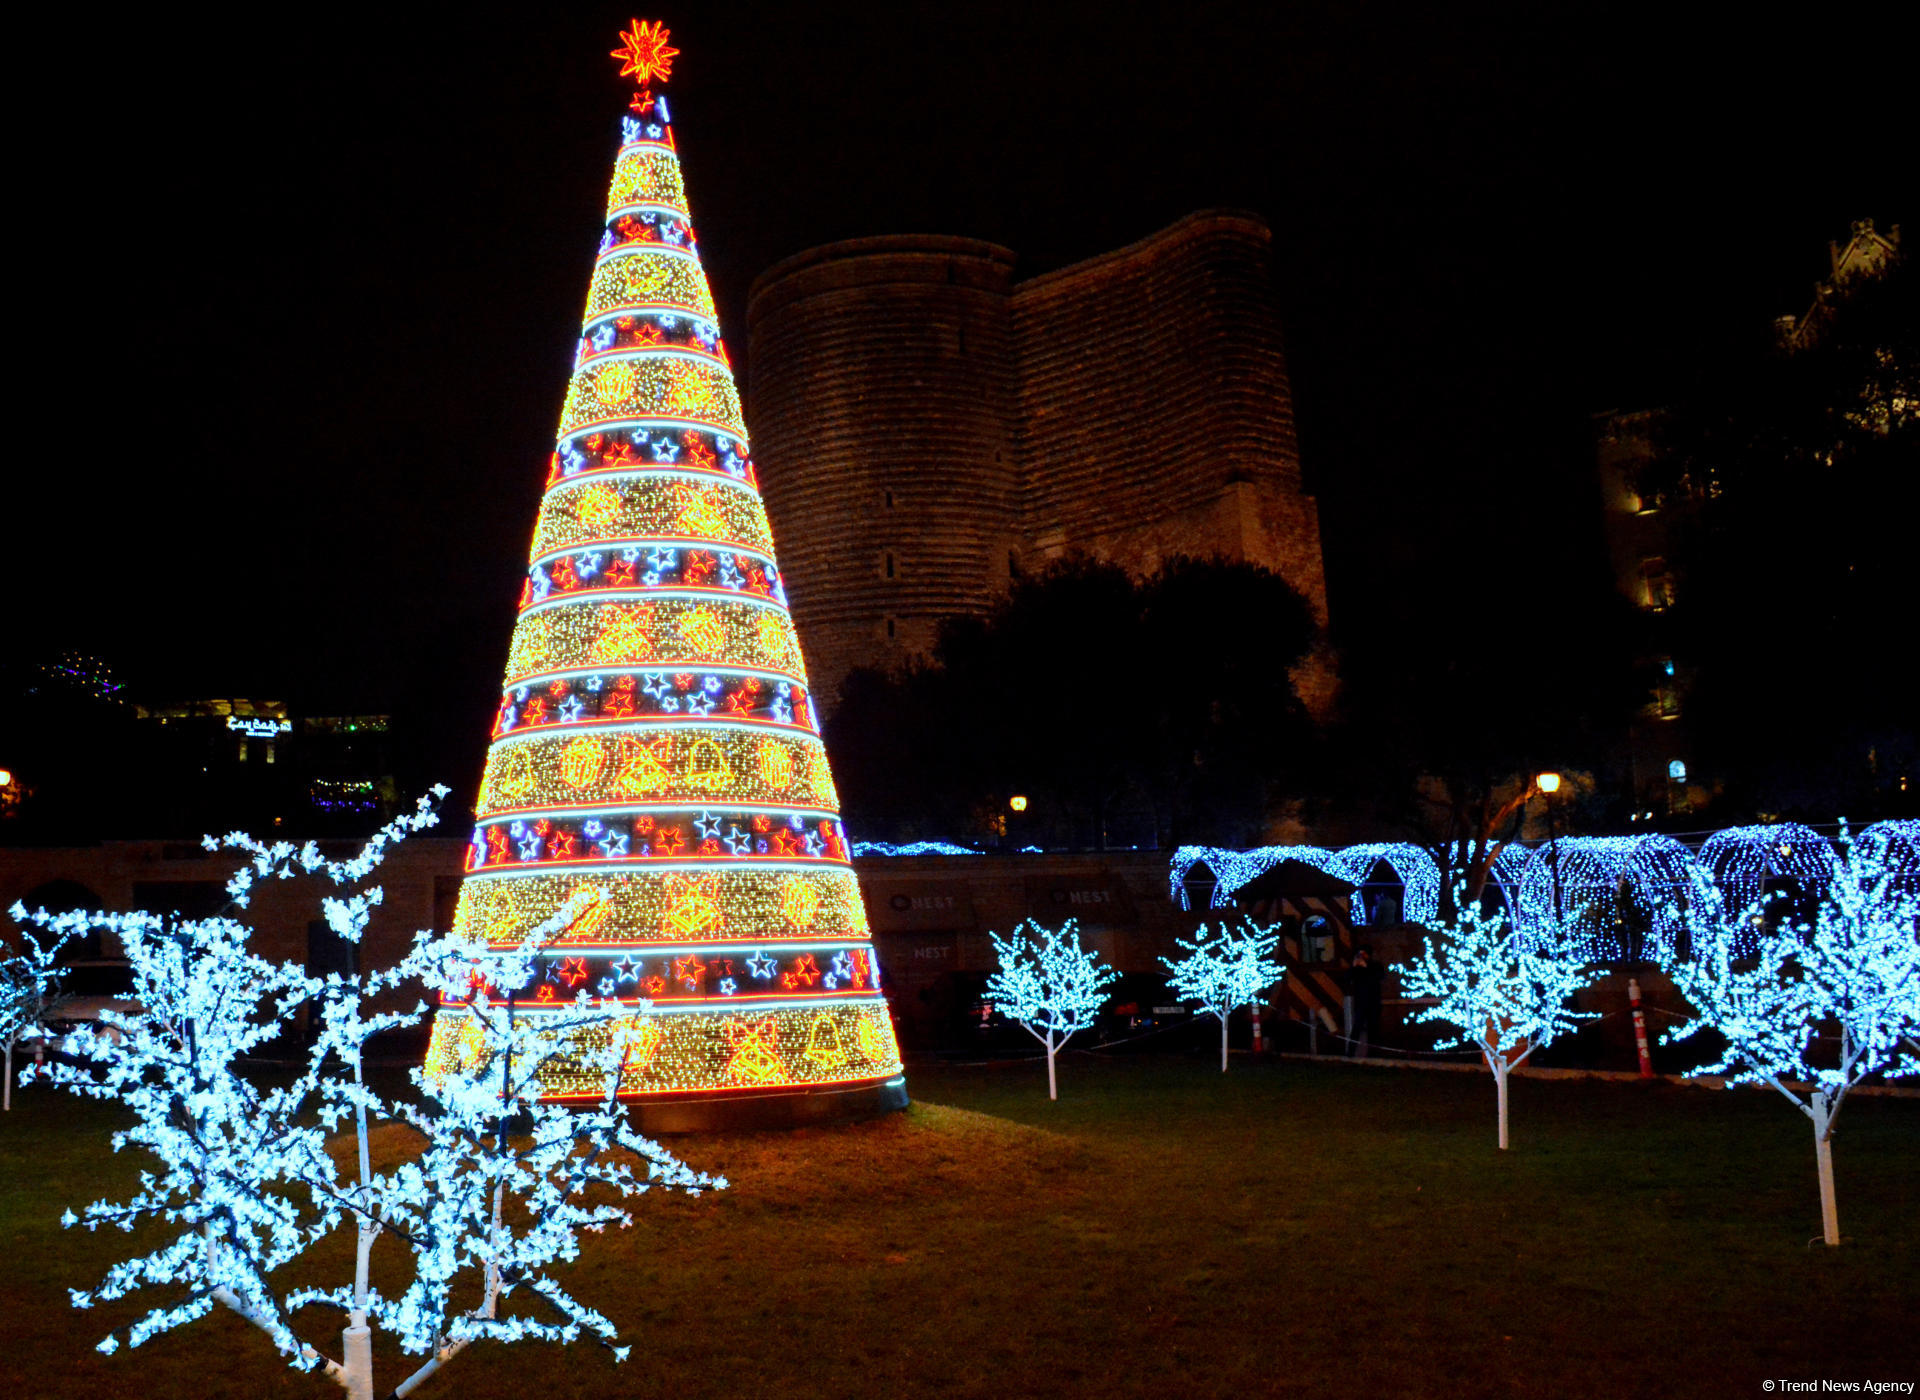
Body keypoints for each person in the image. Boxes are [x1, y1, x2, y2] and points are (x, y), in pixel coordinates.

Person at [1347, 944, 1385, 1059]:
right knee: (1356, 1028)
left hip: (1373, 1003)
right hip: (1360, 1004)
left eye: (1364, 954)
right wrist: (1353, 967)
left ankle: (1373, 1055)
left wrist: (1366, 967)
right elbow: (1347, 979)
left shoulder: (1376, 966)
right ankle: (1350, 1054)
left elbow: (1379, 977)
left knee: (1373, 1030)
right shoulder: (1357, 968)